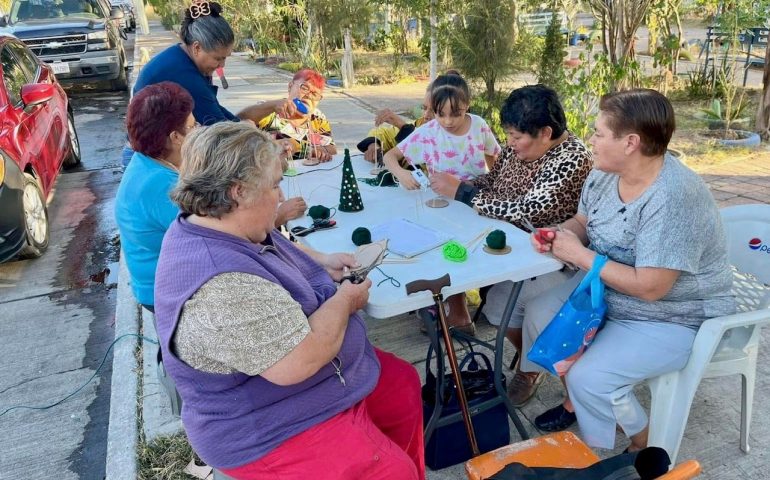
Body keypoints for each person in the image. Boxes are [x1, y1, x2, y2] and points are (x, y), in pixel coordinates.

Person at [153, 122, 425, 480]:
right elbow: (298, 361)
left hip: (315, 385)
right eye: (274, 185)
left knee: (402, 385)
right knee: (391, 473)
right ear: (238, 192)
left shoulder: (225, 223)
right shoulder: (222, 286)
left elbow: (277, 247)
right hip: (268, 425)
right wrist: (346, 300)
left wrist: (322, 262)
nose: (280, 196)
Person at [525, 89, 735, 450]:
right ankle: (579, 401)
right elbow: (583, 222)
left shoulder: (673, 196)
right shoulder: (605, 173)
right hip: (610, 292)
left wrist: (580, 256)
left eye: (598, 133)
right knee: (538, 316)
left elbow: (652, 288)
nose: (590, 140)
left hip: (673, 316)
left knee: (591, 378)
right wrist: (560, 235)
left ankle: (643, 444)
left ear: (631, 143)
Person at [429, 84, 593, 407]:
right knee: (494, 304)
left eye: (516, 137)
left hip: (551, 258)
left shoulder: (573, 158)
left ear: (545, 133)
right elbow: (492, 182)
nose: (510, 143)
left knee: (513, 306)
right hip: (510, 246)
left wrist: (462, 192)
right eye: (508, 135)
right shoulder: (519, 148)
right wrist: (463, 185)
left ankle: (530, 369)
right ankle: (529, 357)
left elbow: (528, 210)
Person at [128, 0, 306, 224]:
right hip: (156, 154)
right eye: (218, 58)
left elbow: (227, 119)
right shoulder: (184, 75)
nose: (222, 65)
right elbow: (222, 137)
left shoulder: (186, 60)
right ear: (197, 47)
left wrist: (266, 118)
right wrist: (268, 155)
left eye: (225, 58)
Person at [383, 72, 501, 333]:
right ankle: (458, 312)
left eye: (455, 114)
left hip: (474, 200)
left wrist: (495, 185)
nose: (448, 121)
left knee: (474, 250)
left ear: (467, 105)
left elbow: (495, 158)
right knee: (447, 252)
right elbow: (390, 157)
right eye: (440, 114)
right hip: (441, 205)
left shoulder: (479, 126)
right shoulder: (428, 132)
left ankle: (479, 303)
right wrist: (401, 173)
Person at [114, 82, 196, 311]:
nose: (199, 130)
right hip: (166, 293)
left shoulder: (147, 161)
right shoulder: (161, 185)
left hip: (157, 282)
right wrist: (279, 214)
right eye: (193, 126)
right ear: (176, 137)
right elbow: (217, 236)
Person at [251, 68, 337, 163]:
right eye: (304, 88)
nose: (308, 96)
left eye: (315, 94)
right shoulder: (268, 111)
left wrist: (320, 151)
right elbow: (243, 126)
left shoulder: (318, 117)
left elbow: (332, 149)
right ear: (290, 87)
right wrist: (307, 150)